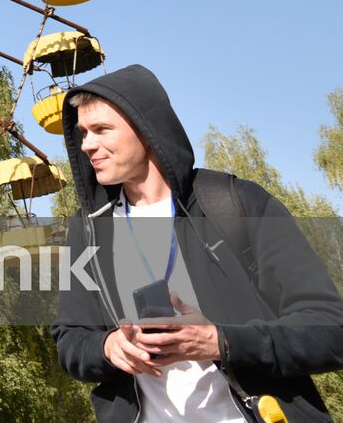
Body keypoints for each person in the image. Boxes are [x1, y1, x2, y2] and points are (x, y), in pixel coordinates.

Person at [52, 64, 343, 421]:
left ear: (146, 129)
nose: (87, 145)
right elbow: (69, 340)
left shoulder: (238, 204)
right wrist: (108, 347)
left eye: (101, 130)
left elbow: (329, 328)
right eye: (82, 132)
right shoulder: (88, 231)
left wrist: (220, 342)